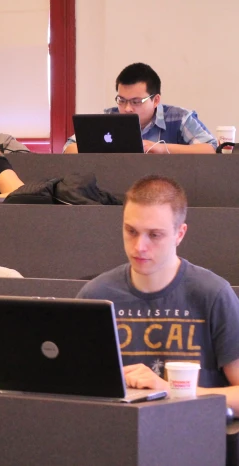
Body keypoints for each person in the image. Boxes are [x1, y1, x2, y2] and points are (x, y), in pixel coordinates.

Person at [77, 175, 239, 410]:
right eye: (131, 231)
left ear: (180, 234)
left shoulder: (213, 294)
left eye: (154, 235)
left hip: (192, 435)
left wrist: (170, 391)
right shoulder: (96, 295)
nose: (139, 247)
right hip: (114, 434)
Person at [64, 63, 217, 154]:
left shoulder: (179, 118)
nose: (127, 108)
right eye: (121, 100)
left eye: (136, 102)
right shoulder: (109, 118)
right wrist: (104, 148)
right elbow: (68, 148)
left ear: (155, 100)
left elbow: (209, 149)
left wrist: (162, 149)